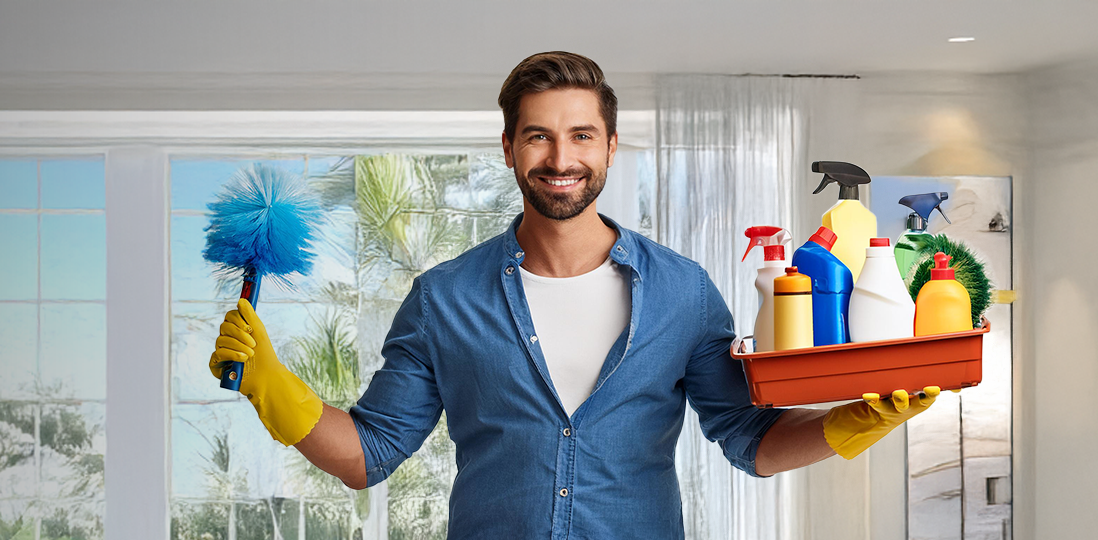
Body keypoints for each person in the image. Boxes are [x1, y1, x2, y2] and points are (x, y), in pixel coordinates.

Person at [208, 51, 945, 538]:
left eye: (583, 136)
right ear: (508, 148)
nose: (561, 158)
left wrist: (852, 423)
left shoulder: (682, 292)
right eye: (538, 137)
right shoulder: (442, 300)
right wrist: (272, 386)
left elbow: (751, 443)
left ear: (611, 147)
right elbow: (368, 455)